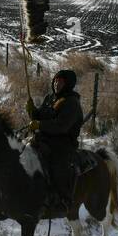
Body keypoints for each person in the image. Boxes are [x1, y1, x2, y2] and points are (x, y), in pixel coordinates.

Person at [26, 69, 84, 210]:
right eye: (56, 81)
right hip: (44, 139)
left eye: (61, 81)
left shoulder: (72, 102)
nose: (57, 84)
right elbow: (41, 116)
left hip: (63, 144)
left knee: (57, 166)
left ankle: (63, 200)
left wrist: (40, 124)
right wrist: (33, 111)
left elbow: (62, 126)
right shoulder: (50, 98)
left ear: (68, 84)